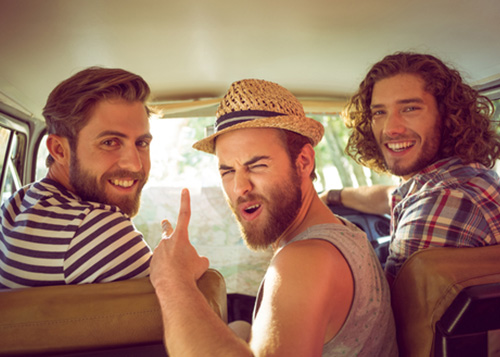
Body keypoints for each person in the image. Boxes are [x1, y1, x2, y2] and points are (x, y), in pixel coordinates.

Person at [150, 79, 397, 356]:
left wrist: (173, 281)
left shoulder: (305, 260)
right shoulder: (342, 231)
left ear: (303, 162)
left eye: (257, 166)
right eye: (227, 171)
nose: (239, 187)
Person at [321, 51, 500, 282]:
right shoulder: (463, 177)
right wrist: (331, 197)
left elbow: (383, 316)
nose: (390, 128)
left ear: (447, 115)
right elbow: (390, 196)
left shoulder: (444, 200)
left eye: (409, 109)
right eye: (379, 112)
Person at [0, 67, 153, 289]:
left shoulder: (15, 205)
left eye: (142, 143)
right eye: (110, 142)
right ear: (59, 150)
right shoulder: (99, 229)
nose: (135, 164)